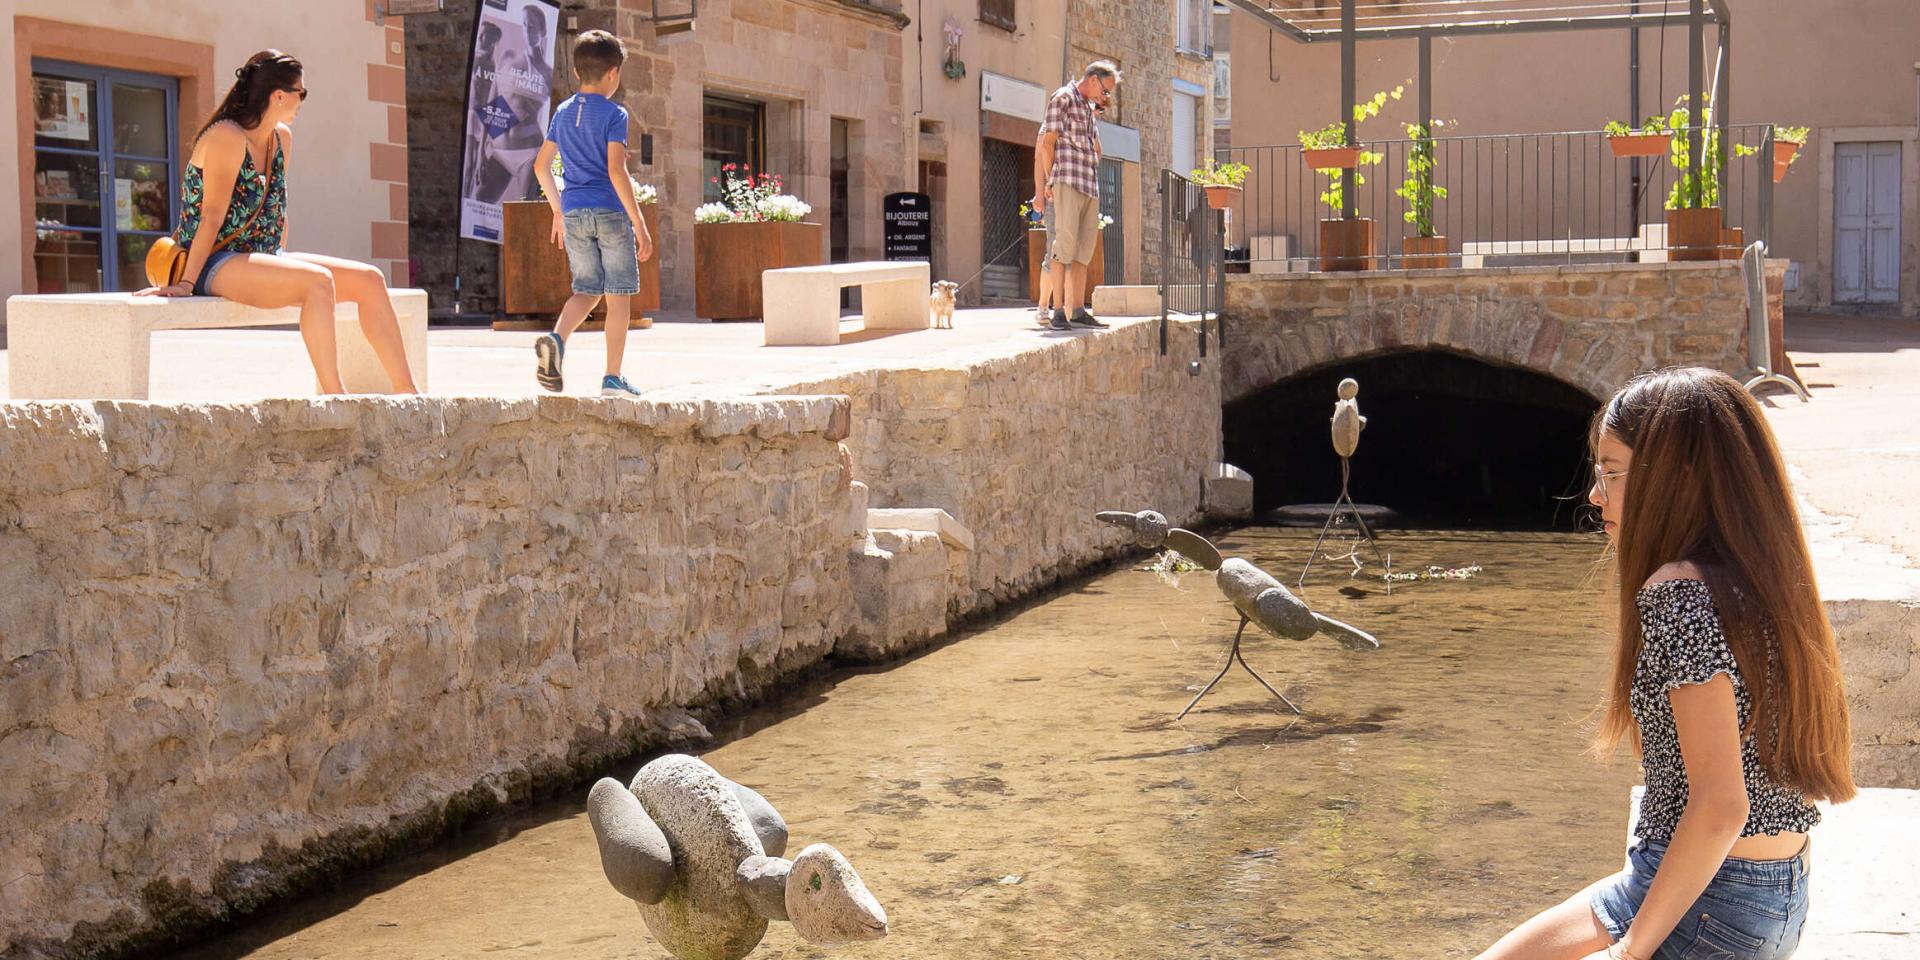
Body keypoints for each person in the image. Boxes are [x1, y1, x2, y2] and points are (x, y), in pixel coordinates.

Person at [1477, 367, 1855, 960]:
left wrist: (1630, 952)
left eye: (1612, 473)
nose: (1594, 495)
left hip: (1711, 898)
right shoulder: (1760, 581)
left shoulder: (1679, 594)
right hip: (1768, 886)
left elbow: (1722, 806)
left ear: (1678, 477)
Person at [137, 50, 417, 395]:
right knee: (317, 283)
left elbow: (277, 204)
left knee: (370, 281)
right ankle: (336, 397)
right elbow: (211, 216)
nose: (302, 101)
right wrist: (186, 282)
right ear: (279, 95)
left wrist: (280, 259)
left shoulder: (281, 138)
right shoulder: (228, 136)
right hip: (215, 260)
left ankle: (411, 396)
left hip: (261, 255)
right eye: (302, 93)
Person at [531, 29, 653, 398]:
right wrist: (640, 222)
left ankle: (557, 338)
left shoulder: (563, 112)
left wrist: (557, 210)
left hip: (573, 213)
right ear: (613, 73)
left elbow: (541, 167)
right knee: (618, 295)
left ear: (575, 70)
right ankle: (612, 377)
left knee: (586, 290)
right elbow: (617, 171)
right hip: (610, 213)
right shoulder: (616, 114)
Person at [1033, 61, 1118, 331]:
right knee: (1063, 245)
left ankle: (1078, 310)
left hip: (1088, 184)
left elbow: (1097, 147)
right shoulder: (1063, 98)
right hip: (1067, 179)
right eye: (1105, 90)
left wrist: (1093, 158)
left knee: (1084, 249)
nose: (1105, 97)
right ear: (1093, 80)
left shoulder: (1087, 108)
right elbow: (1047, 142)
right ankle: (1058, 311)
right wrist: (1049, 180)